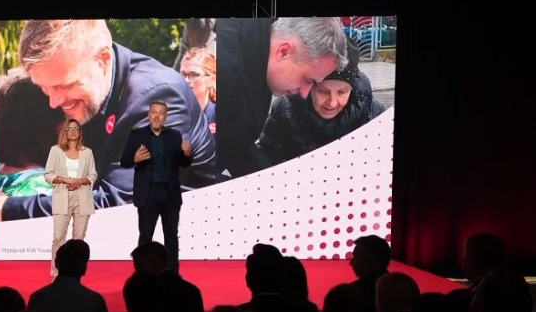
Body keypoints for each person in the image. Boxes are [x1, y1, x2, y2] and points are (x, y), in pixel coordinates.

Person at [0, 19, 216, 221]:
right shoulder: (93, 87)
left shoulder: (157, 97)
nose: (53, 102)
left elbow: (121, 204)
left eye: (66, 85)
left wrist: (7, 208)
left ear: (103, 60)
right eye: (44, 88)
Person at [212, 16, 348, 179]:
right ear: (284, 52)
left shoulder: (258, 56)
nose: (305, 93)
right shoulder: (218, 66)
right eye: (307, 80)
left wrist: (275, 183)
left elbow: (236, 142)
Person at [253, 39, 386, 166]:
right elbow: (267, 156)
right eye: (323, 91)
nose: (332, 102)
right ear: (309, 87)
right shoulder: (286, 110)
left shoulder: (372, 113)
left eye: (342, 92)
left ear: (352, 89)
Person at [120, 100, 192, 275]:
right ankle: (142, 274)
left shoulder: (174, 136)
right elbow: (124, 161)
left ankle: (173, 274)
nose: (157, 116)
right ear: (149, 115)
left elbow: (183, 163)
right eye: (154, 112)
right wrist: (135, 159)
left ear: (165, 117)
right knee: (145, 237)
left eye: (161, 113)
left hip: (170, 194)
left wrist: (187, 154)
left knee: (171, 236)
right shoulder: (137, 135)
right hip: (148, 194)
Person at [44, 119, 98, 277]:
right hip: (62, 195)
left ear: (80, 132)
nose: (73, 132)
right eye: (69, 129)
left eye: (76, 129)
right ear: (65, 132)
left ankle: (75, 272)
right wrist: (66, 180)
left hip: (82, 196)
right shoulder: (55, 151)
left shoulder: (87, 152)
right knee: (58, 238)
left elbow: (93, 175)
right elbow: (48, 175)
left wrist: (80, 181)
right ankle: (56, 272)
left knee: (79, 240)